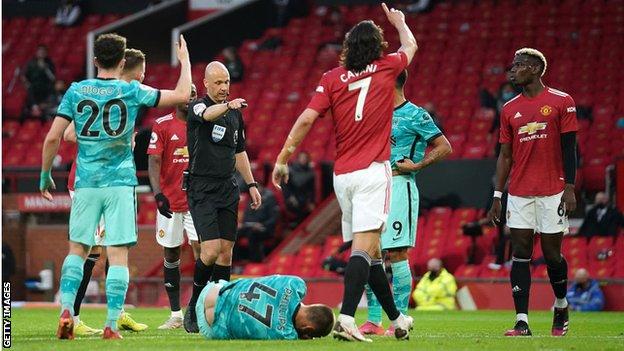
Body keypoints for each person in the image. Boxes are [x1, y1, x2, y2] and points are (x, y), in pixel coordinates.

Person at [272, 3, 418, 342]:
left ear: (348, 49)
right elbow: (410, 46)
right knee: (364, 252)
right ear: (378, 47)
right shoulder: (387, 67)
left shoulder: (331, 79)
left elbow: (307, 119)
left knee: (372, 253)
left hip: (344, 177)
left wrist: (282, 157)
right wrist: (400, 22)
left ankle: (397, 319)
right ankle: (349, 318)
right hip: (372, 172)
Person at [40, 33, 192, 340]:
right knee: (118, 254)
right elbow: (181, 95)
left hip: (85, 183)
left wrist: (45, 174)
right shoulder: (131, 90)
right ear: (123, 61)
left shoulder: (76, 90)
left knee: (77, 250)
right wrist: (185, 60)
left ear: (95, 60)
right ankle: (111, 324)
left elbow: (54, 138)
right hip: (120, 184)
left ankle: (67, 311)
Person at [487, 48, 578, 337]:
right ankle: (522, 321)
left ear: (536, 70)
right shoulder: (508, 108)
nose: (512, 71)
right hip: (520, 192)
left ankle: (561, 304)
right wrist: (498, 195)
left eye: (519, 66)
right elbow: (505, 155)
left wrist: (570, 187)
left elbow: (569, 149)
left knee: (552, 255)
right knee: (520, 254)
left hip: (552, 190)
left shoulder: (562, 102)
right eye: (513, 65)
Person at [62, 48, 152, 336]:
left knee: (111, 247)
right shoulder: (108, 97)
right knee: (92, 250)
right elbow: (67, 134)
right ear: (133, 71)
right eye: (143, 71)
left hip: (109, 181)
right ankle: (73, 316)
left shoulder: (124, 98)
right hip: (92, 181)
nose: (145, 76)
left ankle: (116, 311)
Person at [359, 69, 451, 336]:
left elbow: (444, 146)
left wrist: (418, 165)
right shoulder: (374, 112)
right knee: (368, 253)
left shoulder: (416, 114)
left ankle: (399, 318)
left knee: (397, 254)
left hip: (400, 184)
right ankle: (373, 320)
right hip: (373, 186)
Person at [183, 61, 262, 333]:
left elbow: (239, 151)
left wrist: (251, 184)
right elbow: (207, 116)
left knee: (226, 253)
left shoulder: (234, 115)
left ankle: (220, 309)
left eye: (226, 82)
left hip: (227, 187)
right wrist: (228, 106)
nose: (223, 88)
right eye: (218, 83)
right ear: (206, 83)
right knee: (211, 250)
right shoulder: (197, 106)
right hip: (201, 188)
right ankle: (194, 304)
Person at [148, 83, 202, 329]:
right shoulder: (162, 125)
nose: (188, 98)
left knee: (204, 254)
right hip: (170, 201)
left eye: (192, 93)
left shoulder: (203, 122)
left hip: (198, 201)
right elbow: (154, 161)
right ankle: (176, 315)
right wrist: (158, 194)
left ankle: (198, 312)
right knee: (171, 254)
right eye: (184, 93)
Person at [195, 275, 334, 340]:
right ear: (307, 329)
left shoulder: (296, 284)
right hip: (209, 325)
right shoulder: (286, 335)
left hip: (212, 290)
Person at [238, 184, 279, 262]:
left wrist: (263, 225)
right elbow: (247, 216)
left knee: (253, 234)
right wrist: (244, 224)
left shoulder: (270, 198)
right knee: (234, 233)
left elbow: (273, 218)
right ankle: (236, 261)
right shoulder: (251, 198)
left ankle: (256, 261)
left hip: (265, 228)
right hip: (250, 226)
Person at [282, 151, 316, 226]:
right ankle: (298, 225)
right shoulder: (290, 170)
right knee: (295, 205)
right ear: (298, 159)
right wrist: (290, 197)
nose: (303, 159)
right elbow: (285, 186)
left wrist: (311, 201)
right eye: (301, 158)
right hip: (292, 196)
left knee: (308, 208)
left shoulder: (310, 173)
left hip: (304, 197)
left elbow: (312, 189)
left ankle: (302, 225)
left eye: (305, 158)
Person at [23, 45, 56, 119]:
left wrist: (45, 68)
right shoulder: (31, 63)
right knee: (30, 89)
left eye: (43, 52)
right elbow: (25, 76)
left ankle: (44, 109)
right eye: (39, 51)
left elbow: (52, 78)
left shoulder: (49, 63)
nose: (41, 53)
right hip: (34, 86)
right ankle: (34, 107)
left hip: (46, 86)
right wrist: (26, 83)